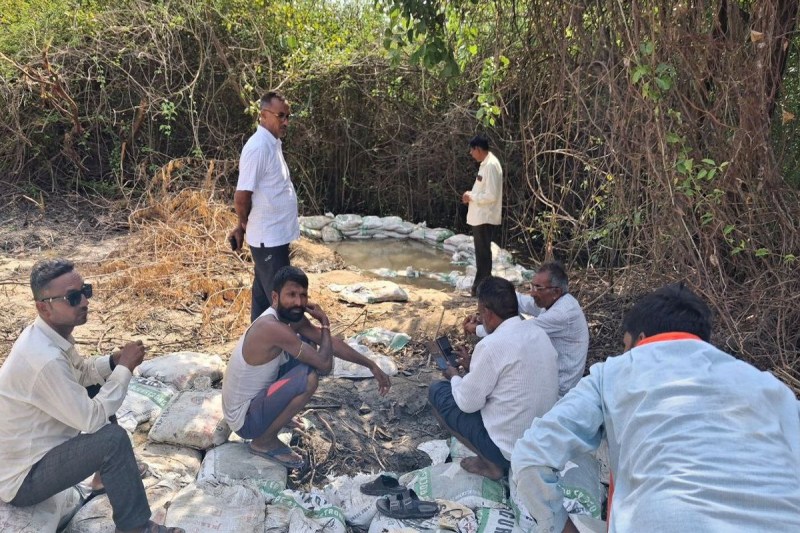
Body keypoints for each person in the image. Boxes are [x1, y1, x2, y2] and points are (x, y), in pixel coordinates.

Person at [511, 284, 800, 533]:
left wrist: (561, 527)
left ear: (639, 339)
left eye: (625, 346)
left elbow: (531, 456)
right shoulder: (771, 388)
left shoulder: (614, 373)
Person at [0, 259, 183, 533]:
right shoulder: (44, 358)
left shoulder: (48, 336)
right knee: (112, 441)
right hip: (24, 480)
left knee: (99, 385)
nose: (84, 301)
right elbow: (91, 421)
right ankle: (135, 528)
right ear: (44, 307)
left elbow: (82, 374)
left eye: (85, 291)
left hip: (36, 455)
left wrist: (112, 363)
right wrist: (124, 369)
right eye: (73, 298)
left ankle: (102, 478)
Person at [222, 265, 391, 469]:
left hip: (253, 404)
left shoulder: (289, 320)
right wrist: (325, 323)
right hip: (245, 421)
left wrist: (370, 364)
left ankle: (275, 417)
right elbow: (325, 365)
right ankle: (263, 442)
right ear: (275, 297)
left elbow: (327, 342)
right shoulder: (271, 327)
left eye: (302, 295)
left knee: (308, 346)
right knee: (309, 377)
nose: (298, 302)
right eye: (291, 295)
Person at [428, 276, 558, 481]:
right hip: (539, 445)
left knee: (438, 391)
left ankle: (490, 464)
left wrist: (454, 376)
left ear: (487, 312)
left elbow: (467, 403)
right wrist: (474, 367)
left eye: (480, 312)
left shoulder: (491, 345)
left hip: (507, 451)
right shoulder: (537, 332)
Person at [464, 262, 589, 397]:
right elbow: (518, 301)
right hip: (548, 376)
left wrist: (478, 328)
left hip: (558, 389)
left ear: (556, 291)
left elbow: (515, 332)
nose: (532, 292)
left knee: (492, 387)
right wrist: (490, 303)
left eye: (538, 288)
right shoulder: (552, 300)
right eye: (532, 286)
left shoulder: (563, 313)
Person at [229, 91, 300, 322]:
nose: (286, 121)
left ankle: (257, 351)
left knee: (263, 300)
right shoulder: (258, 147)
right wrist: (242, 224)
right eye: (281, 115)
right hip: (268, 239)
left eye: (288, 115)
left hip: (273, 236)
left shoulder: (272, 144)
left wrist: (242, 227)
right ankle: (291, 354)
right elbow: (241, 196)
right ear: (263, 115)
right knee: (284, 303)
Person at [461, 134, 503, 297]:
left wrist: (471, 197)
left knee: (483, 254)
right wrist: (472, 194)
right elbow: (483, 190)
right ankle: (482, 288)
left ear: (478, 149)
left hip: (485, 217)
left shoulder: (491, 165)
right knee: (482, 254)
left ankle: (480, 289)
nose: (471, 154)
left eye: (472, 150)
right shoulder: (485, 164)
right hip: (480, 216)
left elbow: (491, 195)